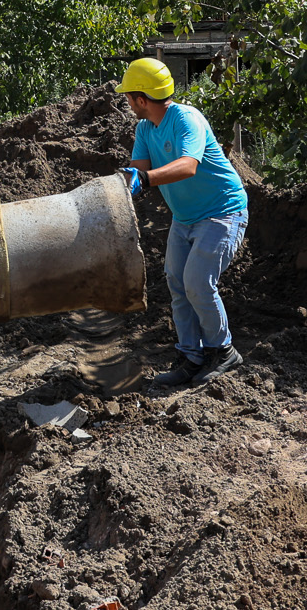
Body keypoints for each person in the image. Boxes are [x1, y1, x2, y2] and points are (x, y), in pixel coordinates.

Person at [119, 57, 249, 388]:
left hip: (221, 211)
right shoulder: (145, 128)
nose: (127, 102)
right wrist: (123, 184)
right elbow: (138, 169)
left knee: (197, 282)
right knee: (177, 282)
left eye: (129, 96)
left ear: (142, 99)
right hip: (185, 217)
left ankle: (223, 350)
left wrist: (145, 179)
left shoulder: (187, 119)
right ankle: (191, 356)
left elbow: (188, 165)